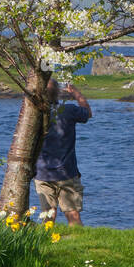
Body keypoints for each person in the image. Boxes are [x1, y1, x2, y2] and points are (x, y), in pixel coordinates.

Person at [34, 80, 91, 225]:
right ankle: (79, 244)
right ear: (58, 92)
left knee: (48, 216)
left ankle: (47, 244)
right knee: (73, 214)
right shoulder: (68, 110)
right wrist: (76, 93)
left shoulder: (35, 115)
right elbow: (87, 112)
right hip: (67, 171)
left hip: (42, 172)